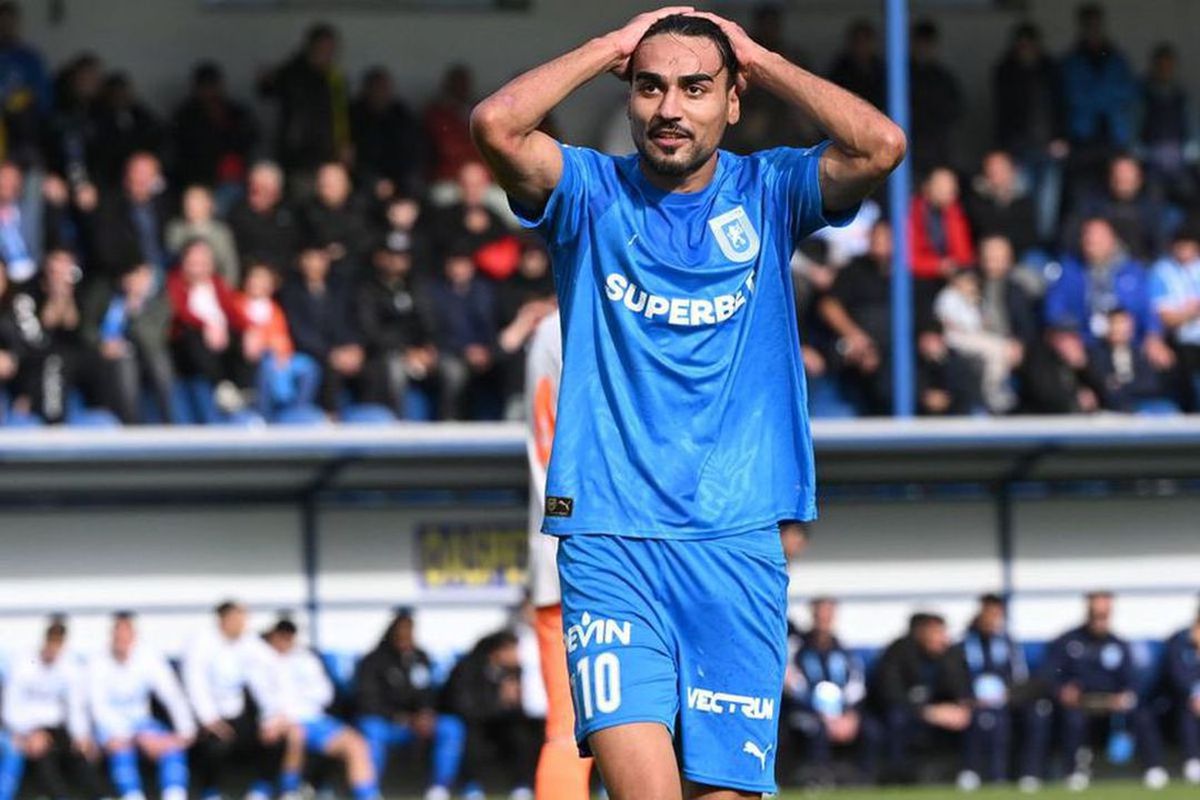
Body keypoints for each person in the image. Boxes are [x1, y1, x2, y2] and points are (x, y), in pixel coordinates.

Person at [470, 7, 904, 798]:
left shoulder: (770, 190)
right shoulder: (588, 192)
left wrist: (760, 58)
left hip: (735, 541)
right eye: (650, 87)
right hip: (609, 538)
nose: (670, 107)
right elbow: (496, 125)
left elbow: (880, 144)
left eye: (696, 88)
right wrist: (610, 45)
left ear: (733, 101)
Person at [523, 308, 594, 800]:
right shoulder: (575, 319)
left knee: (568, 727)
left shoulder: (548, 329)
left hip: (557, 551)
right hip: (591, 550)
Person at [1044, 592, 1168, 791]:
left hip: (1111, 703)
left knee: (1142, 714)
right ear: (1088, 612)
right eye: (1096, 614)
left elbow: (1132, 680)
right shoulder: (1067, 641)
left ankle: (1154, 768)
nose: (1100, 620)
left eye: (1105, 615)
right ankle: (1074, 771)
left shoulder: (1118, 643)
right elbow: (1050, 675)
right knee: (1073, 720)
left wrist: (1126, 695)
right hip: (1080, 703)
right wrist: (1062, 691)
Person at [251, 618, 378, 800]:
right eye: (281, 636)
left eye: (289, 636)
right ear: (273, 636)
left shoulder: (306, 658)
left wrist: (292, 710)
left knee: (356, 744)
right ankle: (289, 792)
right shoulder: (260, 660)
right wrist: (281, 717)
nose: (285, 640)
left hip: (313, 720)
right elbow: (266, 700)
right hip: (278, 723)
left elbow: (324, 694)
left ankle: (367, 795)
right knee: (296, 735)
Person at [353, 609, 465, 800]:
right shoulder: (373, 661)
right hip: (389, 723)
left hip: (417, 723)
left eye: (409, 631)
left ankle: (439, 788)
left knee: (451, 727)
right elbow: (367, 701)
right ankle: (369, 792)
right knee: (371, 730)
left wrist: (426, 713)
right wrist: (401, 717)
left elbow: (428, 692)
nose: (406, 636)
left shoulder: (420, 657)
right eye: (401, 631)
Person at [87, 611, 196, 800]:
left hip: (142, 724)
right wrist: (133, 736)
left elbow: (172, 695)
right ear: (112, 634)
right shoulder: (97, 663)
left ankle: (175, 794)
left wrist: (184, 733)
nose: (122, 637)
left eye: (126, 632)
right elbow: (98, 708)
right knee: (121, 750)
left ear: (134, 634)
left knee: (171, 747)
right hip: (109, 727)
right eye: (118, 632)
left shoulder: (148, 657)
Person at [1, 617, 106, 800]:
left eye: (58, 643)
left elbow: (75, 707)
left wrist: (81, 736)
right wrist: (28, 733)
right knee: (42, 754)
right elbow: (10, 708)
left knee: (78, 752)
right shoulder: (23, 664)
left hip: (55, 729)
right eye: (51, 641)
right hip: (27, 728)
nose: (53, 648)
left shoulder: (69, 667)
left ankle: (101, 796)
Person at [183, 600, 278, 800]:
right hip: (209, 716)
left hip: (239, 712)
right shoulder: (201, 642)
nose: (243, 624)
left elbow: (270, 672)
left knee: (274, 735)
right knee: (214, 745)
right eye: (238, 619)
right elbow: (195, 684)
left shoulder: (249, 642)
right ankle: (211, 791)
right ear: (224, 620)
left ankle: (260, 789)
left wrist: (272, 717)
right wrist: (210, 719)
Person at [783, 597, 878, 787]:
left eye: (828, 615)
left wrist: (850, 714)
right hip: (808, 712)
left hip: (842, 713)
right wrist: (823, 715)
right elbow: (794, 686)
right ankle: (819, 778)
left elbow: (856, 686)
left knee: (871, 730)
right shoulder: (798, 650)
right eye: (820, 615)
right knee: (815, 729)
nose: (824, 620)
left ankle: (865, 780)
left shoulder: (844, 651)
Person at [869, 613, 970, 783]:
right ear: (920, 632)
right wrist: (925, 711)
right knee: (897, 719)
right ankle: (896, 777)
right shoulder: (897, 652)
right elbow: (890, 693)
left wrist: (961, 707)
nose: (942, 638)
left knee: (977, 718)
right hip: (909, 712)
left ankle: (969, 773)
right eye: (936, 632)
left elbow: (960, 689)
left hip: (939, 713)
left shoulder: (950, 655)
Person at [943, 594, 1029, 790]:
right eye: (988, 614)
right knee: (977, 717)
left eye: (996, 615)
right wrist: (967, 698)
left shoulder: (1009, 646)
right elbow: (953, 677)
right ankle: (971, 770)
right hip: (973, 702)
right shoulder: (963, 646)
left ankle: (1008, 774)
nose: (992, 620)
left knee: (1019, 717)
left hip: (1004, 701)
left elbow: (1020, 678)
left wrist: (1009, 695)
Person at [992, 23, 1067, 242]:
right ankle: (1026, 247)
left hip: (1048, 149)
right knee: (1022, 203)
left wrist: (1061, 137)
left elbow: (1062, 106)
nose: (1026, 50)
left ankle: (1043, 247)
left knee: (1047, 209)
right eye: (1022, 45)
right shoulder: (1006, 72)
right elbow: (1002, 113)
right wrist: (1003, 149)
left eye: (1029, 45)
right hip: (1018, 150)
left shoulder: (1050, 71)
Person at [439, 630, 536, 800]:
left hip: (501, 722)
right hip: (472, 722)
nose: (516, 655)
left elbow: (525, 708)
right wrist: (498, 700)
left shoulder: (516, 673)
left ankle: (522, 785)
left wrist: (515, 701)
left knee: (521, 734)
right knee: (469, 737)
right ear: (496, 652)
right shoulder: (468, 669)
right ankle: (471, 786)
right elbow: (463, 706)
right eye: (511, 650)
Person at [81, 261, 173, 424]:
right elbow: (87, 328)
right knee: (125, 364)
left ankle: (168, 420)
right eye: (131, 275)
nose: (134, 280)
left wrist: (134, 311)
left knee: (159, 364)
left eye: (140, 276)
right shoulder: (105, 293)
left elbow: (151, 341)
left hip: (145, 354)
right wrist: (101, 344)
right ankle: (131, 424)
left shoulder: (160, 302)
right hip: (106, 353)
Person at [356, 235, 438, 417]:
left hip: (419, 352)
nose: (396, 261)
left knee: (450, 368)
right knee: (395, 370)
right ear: (380, 258)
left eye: (402, 256)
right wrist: (406, 350)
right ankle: (397, 423)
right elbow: (371, 332)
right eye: (391, 255)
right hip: (384, 354)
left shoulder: (416, 287)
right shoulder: (368, 289)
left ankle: (450, 423)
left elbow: (428, 323)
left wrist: (428, 347)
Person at [278, 242, 364, 414]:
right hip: (312, 351)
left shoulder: (339, 289)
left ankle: (376, 419)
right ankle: (330, 417)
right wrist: (330, 353)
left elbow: (349, 321)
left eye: (319, 259)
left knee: (373, 368)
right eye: (309, 259)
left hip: (341, 349)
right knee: (328, 369)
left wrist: (353, 348)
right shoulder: (290, 293)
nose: (314, 264)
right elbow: (298, 331)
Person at [1060, 3, 1137, 193]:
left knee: (1113, 188)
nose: (1092, 29)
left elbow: (1128, 93)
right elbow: (1068, 97)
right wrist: (1105, 96)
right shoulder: (1071, 60)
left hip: (1113, 133)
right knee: (1081, 189)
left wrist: (1094, 96)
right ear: (1081, 27)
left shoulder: (1117, 58)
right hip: (1082, 135)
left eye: (1096, 24)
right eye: (1088, 25)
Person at [258, 23, 351, 180]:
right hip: (296, 153)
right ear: (311, 47)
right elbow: (266, 91)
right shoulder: (291, 73)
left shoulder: (336, 78)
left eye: (330, 49)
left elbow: (340, 114)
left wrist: (344, 143)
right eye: (322, 48)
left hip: (326, 153)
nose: (327, 54)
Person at [166, 239, 248, 411]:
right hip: (191, 341)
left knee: (243, 338)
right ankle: (220, 386)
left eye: (204, 262)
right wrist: (207, 326)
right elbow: (181, 314)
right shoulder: (175, 283)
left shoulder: (217, 283)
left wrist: (249, 329)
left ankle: (243, 390)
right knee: (193, 338)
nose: (199, 268)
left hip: (221, 337)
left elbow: (232, 312)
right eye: (194, 263)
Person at [240, 261, 320, 418]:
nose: (259, 283)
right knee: (268, 366)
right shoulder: (238, 304)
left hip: (282, 357)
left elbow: (283, 337)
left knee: (308, 366)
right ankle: (265, 415)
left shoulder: (275, 309)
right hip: (259, 359)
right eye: (255, 278)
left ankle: (298, 411)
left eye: (264, 279)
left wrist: (283, 354)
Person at [934, 268, 1020, 414]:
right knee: (995, 350)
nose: (969, 285)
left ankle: (999, 385)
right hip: (957, 338)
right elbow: (949, 321)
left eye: (972, 282)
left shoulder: (975, 299)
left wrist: (974, 303)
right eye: (966, 281)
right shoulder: (948, 296)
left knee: (1005, 346)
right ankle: (991, 390)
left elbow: (983, 322)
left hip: (974, 336)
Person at [428, 245, 498, 421]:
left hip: (486, 350)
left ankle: (512, 417)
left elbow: (494, 325)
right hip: (451, 351)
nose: (459, 269)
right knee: (454, 372)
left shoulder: (485, 291)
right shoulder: (435, 294)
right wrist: (465, 350)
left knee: (511, 363)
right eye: (455, 264)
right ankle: (450, 421)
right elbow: (435, 331)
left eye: (463, 264)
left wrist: (486, 350)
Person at [171, 61, 259, 201]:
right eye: (205, 86)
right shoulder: (185, 116)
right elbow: (181, 149)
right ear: (197, 88)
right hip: (198, 179)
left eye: (213, 85)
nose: (210, 91)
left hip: (233, 178)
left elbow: (251, 137)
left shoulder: (237, 113)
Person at [87, 152, 170, 285]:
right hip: (127, 277)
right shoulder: (110, 208)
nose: (142, 179)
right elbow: (106, 252)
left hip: (165, 274)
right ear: (127, 176)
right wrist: (132, 272)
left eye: (148, 174)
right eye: (138, 172)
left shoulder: (165, 206)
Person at [350, 67, 425, 200]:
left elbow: (414, 151)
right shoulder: (355, 115)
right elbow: (352, 157)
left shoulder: (401, 114)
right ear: (367, 90)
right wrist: (375, 182)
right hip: (364, 180)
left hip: (400, 180)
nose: (381, 92)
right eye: (377, 88)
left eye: (385, 88)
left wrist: (399, 183)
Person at [1084, 307, 1175, 413]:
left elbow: (1150, 384)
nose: (1120, 329)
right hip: (1112, 409)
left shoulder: (1140, 353)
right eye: (1116, 323)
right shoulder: (1097, 355)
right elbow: (1103, 385)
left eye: (1124, 323)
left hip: (1141, 405)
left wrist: (1122, 384)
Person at [1150, 223, 1200, 411]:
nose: (1184, 251)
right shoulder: (1162, 272)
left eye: (1188, 245)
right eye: (1180, 245)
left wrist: (1186, 313)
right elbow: (1166, 318)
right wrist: (1191, 313)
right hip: (1179, 343)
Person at [299, 162, 372, 280]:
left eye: (333, 183)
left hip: (358, 271)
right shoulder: (307, 211)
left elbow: (370, 239)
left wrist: (345, 249)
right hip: (319, 272)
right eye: (324, 183)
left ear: (346, 184)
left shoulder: (363, 208)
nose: (328, 187)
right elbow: (301, 242)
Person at [908, 21, 963, 174]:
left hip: (937, 150)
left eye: (927, 43)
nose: (923, 48)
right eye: (920, 43)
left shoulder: (944, 78)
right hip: (909, 147)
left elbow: (956, 110)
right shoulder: (901, 76)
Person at [0, 0, 49, 168]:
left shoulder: (29, 58)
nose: (5, 28)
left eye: (9, 23)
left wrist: (22, 100)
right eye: (2, 22)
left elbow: (44, 100)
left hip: (21, 133)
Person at [228, 161, 301, 271]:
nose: (258, 194)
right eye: (254, 189)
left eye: (265, 189)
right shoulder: (238, 215)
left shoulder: (291, 213)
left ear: (277, 192)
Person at [166, 185, 240, 286]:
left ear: (208, 204)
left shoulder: (221, 232)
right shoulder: (176, 229)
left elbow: (230, 265)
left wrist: (225, 289)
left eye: (196, 201)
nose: (190, 206)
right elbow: (173, 263)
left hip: (215, 287)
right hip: (184, 286)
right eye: (188, 201)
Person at [1164, 601, 1200, 785]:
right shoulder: (1180, 640)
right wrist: (1195, 693)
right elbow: (1177, 675)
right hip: (1184, 699)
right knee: (1188, 707)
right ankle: (1193, 762)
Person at [827, 20, 885, 111]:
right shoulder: (840, 71)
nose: (862, 47)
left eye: (866, 41)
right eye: (858, 42)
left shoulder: (882, 70)